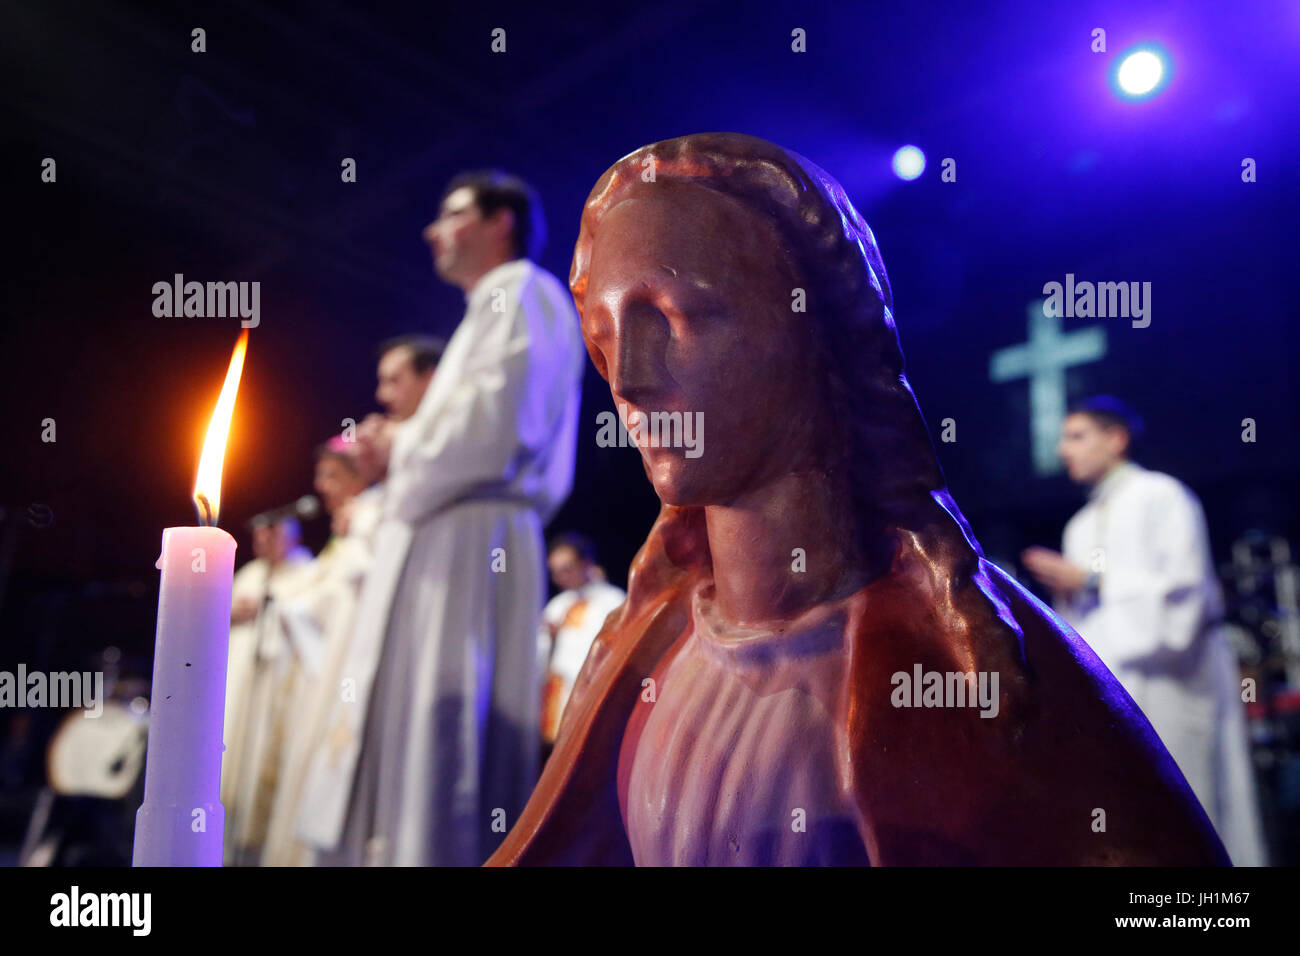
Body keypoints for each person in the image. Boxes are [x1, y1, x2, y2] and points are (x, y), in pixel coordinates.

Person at [485, 132, 1228, 867]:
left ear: (815, 335)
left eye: (677, 317)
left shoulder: (966, 671)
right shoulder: (638, 651)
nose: (629, 381)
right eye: (605, 339)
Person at [302, 171, 585, 866]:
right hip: (444, 533)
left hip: (474, 539)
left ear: (503, 223)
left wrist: (400, 444)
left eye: (452, 213)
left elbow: (497, 426)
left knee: (449, 736)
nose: (433, 230)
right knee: (419, 732)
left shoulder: (522, 291)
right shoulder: (485, 308)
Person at [1023, 396, 1268, 866]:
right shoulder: (1079, 525)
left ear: (1116, 439)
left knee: (1190, 802)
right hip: (1117, 693)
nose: (1062, 450)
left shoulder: (1162, 495)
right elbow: (1085, 627)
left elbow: (1186, 593)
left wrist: (1090, 580)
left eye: (1076, 436)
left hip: (1176, 681)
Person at [260, 435, 384, 866]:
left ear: (358, 476)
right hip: (321, 675)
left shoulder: (374, 519)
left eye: (331, 475)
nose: (320, 486)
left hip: (344, 675)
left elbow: (342, 602)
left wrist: (290, 610)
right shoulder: (346, 530)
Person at [220, 514, 314, 864]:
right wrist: (232, 611)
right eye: (257, 534)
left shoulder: (306, 571)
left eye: (269, 534)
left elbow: (313, 620)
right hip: (237, 683)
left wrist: (273, 610)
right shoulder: (251, 574)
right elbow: (219, 611)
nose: (261, 541)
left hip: (276, 690)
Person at [537, 533, 625, 759]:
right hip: (554, 697)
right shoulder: (558, 604)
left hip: (589, 695)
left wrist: (563, 635)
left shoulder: (612, 601)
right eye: (555, 572)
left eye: (566, 569)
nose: (560, 578)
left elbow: (609, 648)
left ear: (586, 564)